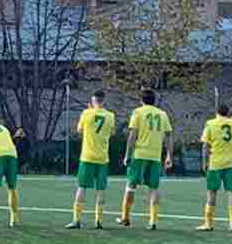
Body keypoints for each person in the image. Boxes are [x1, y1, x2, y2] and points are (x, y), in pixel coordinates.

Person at [119, 88, 173, 230]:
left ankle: (125, 218)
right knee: (154, 188)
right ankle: (153, 221)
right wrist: (168, 155)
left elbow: (132, 135)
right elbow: (168, 136)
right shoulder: (162, 114)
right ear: (154, 101)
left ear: (141, 100)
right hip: (155, 156)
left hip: (139, 155)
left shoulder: (138, 113)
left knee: (130, 186)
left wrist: (127, 155)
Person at [65, 91, 116, 230]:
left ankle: (77, 220)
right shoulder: (111, 116)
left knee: (82, 187)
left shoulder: (87, 113)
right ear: (103, 101)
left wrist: (89, 112)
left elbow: (79, 130)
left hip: (87, 156)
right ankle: (99, 221)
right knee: (101, 190)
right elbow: (112, 133)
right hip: (103, 158)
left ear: (93, 100)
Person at [197, 98, 232, 231]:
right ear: (228, 113)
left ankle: (208, 223)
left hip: (215, 164)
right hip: (231, 163)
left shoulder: (210, 124)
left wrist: (204, 162)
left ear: (217, 112)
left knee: (212, 193)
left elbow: (205, 146)